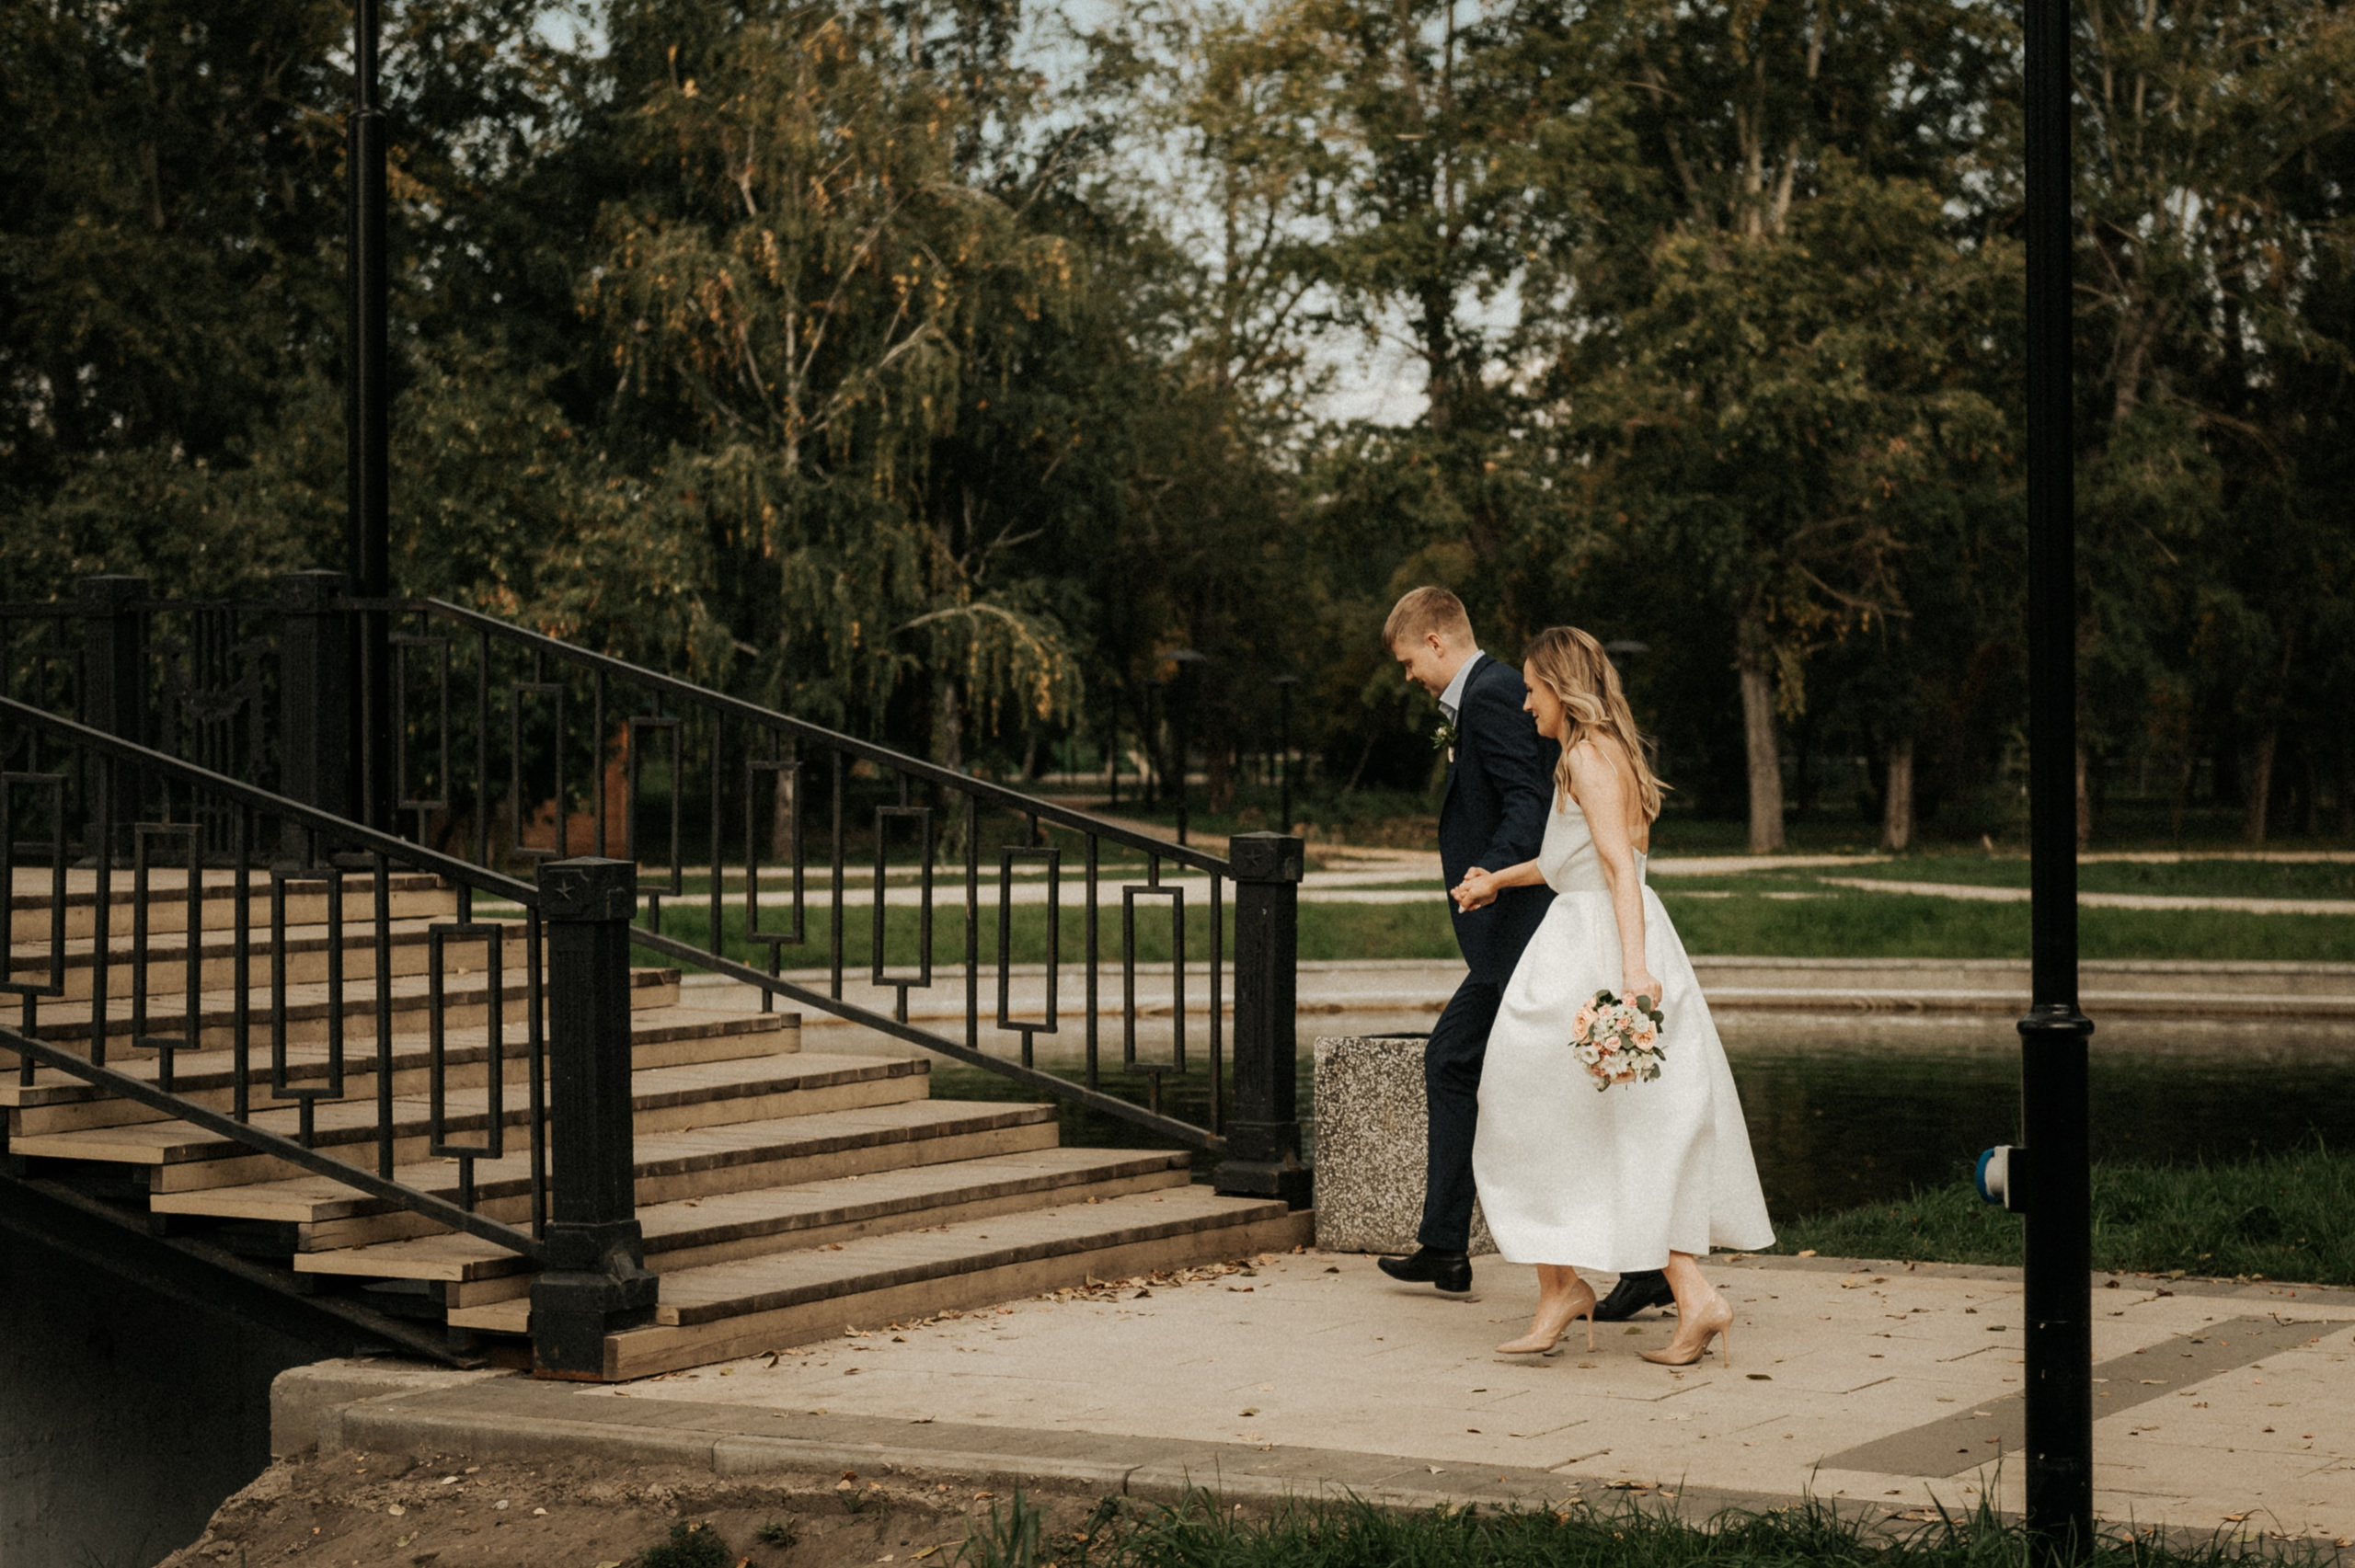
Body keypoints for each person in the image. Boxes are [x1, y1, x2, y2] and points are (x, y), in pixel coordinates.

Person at [1451, 626, 1773, 1366]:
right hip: (1595, 932)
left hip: (1593, 949)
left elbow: (1620, 873)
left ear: (1562, 689)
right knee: (1615, 1127)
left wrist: (1632, 976)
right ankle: (1660, 1296)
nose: (1526, 702)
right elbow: (1574, 859)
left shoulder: (1589, 758)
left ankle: (1598, 1288)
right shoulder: (1599, 755)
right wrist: (1498, 879)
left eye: (1532, 688)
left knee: (1524, 1108)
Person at [1372, 589, 1551, 1295]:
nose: (1409, 675)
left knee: (1566, 1084)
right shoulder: (1482, 695)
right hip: (1508, 935)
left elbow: (1525, 802)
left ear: (1438, 640)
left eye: (1410, 659)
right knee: (1449, 1059)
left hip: (1526, 931)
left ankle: (1649, 1263)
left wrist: (1490, 874)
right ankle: (1443, 1244)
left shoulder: (1494, 693)